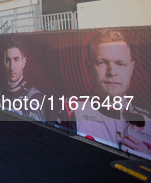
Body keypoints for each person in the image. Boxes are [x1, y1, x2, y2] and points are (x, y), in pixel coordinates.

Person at [56, 30, 151, 158]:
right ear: (89, 67)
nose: (112, 72)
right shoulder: (70, 110)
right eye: (102, 63)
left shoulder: (148, 116)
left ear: (131, 69)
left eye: (120, 64)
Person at [0, 36, 45, 121]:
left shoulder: (35, 97)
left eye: (16, 60)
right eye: (8, 60)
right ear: (4, 63)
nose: (12, 67)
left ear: (23, 62)